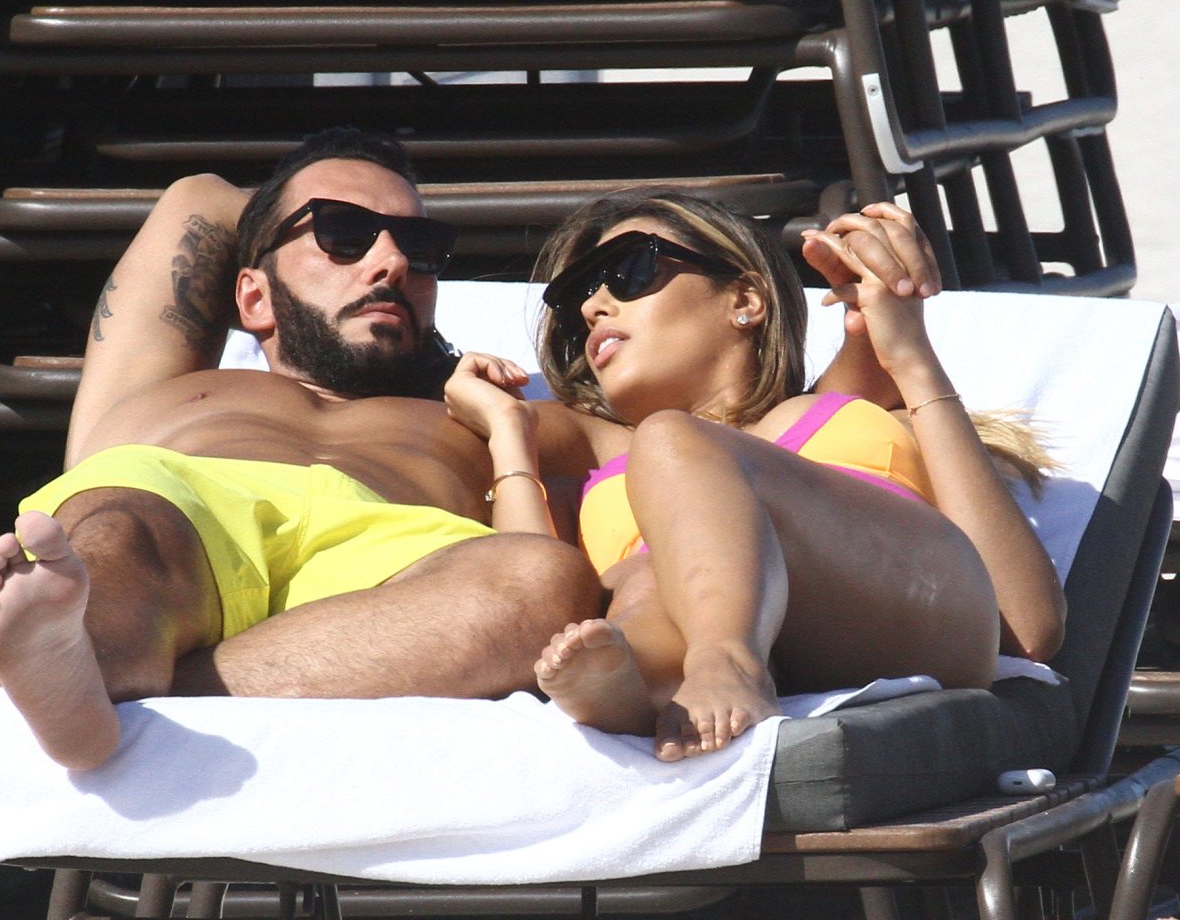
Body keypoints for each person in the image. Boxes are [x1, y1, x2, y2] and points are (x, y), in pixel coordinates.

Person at [0, 128, 604, 769]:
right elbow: (200, 199)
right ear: (251, 296)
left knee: (542, 581)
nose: (392, 262)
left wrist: (498, 417)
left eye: (420, 246)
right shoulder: (162, 388)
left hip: (396, 556)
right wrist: (289, 216)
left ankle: (67, 688)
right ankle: (80, 661)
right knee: (114, 531)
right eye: (343, 234)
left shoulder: (484, 411)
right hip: (183, 509)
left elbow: (660, 437)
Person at [442, 190, 1065, 761]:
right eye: (580, 296)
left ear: (744, 300)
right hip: (700, 645)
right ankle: (641, 683)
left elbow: (1028, 627)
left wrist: (910, 355)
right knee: (646, 574)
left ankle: (727, 659)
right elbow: (526, 591)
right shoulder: (598, 465)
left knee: (672, 440)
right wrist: (507, 431)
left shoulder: (857, 407)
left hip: (909, 611)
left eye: (629, 272)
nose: (592, 305)